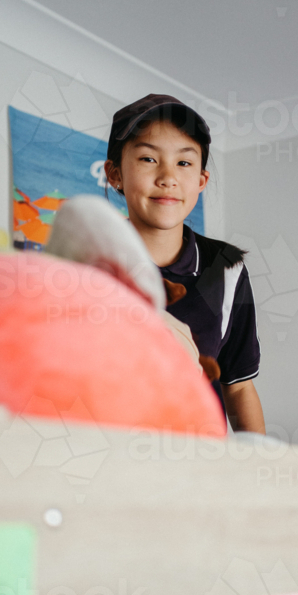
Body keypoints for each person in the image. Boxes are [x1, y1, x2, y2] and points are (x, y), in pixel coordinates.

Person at [104, 93, 265, 434]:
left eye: (184, 163)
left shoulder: (227, 269)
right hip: (107, 460)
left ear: (201, 181)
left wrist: (257, 472)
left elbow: (238, 386)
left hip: (202, 466)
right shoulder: (82, 267)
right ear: (115, 173)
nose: (167, 177)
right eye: (148, 159)